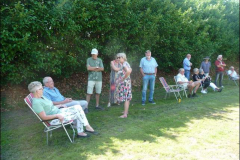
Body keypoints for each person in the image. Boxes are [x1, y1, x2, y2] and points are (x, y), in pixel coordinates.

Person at [28, 81, 98, 138]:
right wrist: (57, 116)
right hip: (54, 119)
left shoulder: (42, 97)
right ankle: (84, 129)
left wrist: (60, 105)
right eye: (41, 88)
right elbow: (44, 117)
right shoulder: (36, 103)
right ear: (37, 91)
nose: (43, 89)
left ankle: (84, 130)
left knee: (77, 107)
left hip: (58, 112)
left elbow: (50, 107)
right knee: (78, 112)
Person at [116, 53, 132, 118]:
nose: (118, 59)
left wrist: (123, 78)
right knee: (127, 97)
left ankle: (125, 114)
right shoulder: (125, 63)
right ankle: (126, 111)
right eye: (117, 58)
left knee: (126, 98)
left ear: (123, 57)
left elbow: (128, 71)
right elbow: (130, 70)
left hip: (125, 83)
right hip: (126, 83)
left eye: (119, 58)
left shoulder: (125, 64)